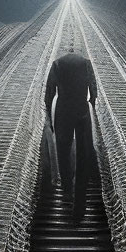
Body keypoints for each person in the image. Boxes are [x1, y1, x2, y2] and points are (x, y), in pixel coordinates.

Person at [43, 51, 98, 210]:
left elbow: (49, 93)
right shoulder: (86, 63)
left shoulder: (57, 64)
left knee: (63, 150)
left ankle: (67, 189)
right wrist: (91, 105)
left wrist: (48, 115)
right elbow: (93, 91)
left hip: (63, 111)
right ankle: (81, 193)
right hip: (81, 111)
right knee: (83, 151)